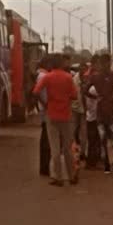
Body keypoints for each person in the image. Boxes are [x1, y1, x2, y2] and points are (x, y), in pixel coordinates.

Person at [33, 54, 78, 186]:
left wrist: (46, 104)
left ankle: (57, 177)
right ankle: (72, 176)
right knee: (68, 148)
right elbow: (74, 96)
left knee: (55, 148)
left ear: (52, 65)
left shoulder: (48, 77)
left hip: (51, 115)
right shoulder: (68, 77)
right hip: (66, 115)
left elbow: (35, 92)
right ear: (62, 64)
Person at [88, 54, 113, 174]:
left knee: (104, 140)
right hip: (109, 111)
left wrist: (95, 96)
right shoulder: (112, 76)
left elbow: (85, 90)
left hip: (102, 111)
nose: (105, 65)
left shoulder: (96, 77)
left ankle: (108, 167)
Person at [35, 57, 51, 177]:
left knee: (46, 139)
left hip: (46, 109)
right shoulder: (43, 76)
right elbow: (36, 92)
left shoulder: (43, 75)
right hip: (46, 111)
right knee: (46, 140)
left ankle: (45, 167)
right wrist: (45, 104)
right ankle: (44, 168)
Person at [84, 55, 101, 169]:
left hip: (92, 115)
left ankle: (93, 161)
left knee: (94, 139)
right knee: (93, 139)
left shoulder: (91, 86)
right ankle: (91, 162)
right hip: (93, 116)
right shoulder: (93, 88)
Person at [71, 62, 88, 162]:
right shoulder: (73, 80)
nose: (83, 70)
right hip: (75, 109)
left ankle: (82, 153)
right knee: (73, 131)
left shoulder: (87, 79)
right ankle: (73, 152)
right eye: (81, 68)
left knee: (84, 133)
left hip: (85, 110)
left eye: (84, 69)